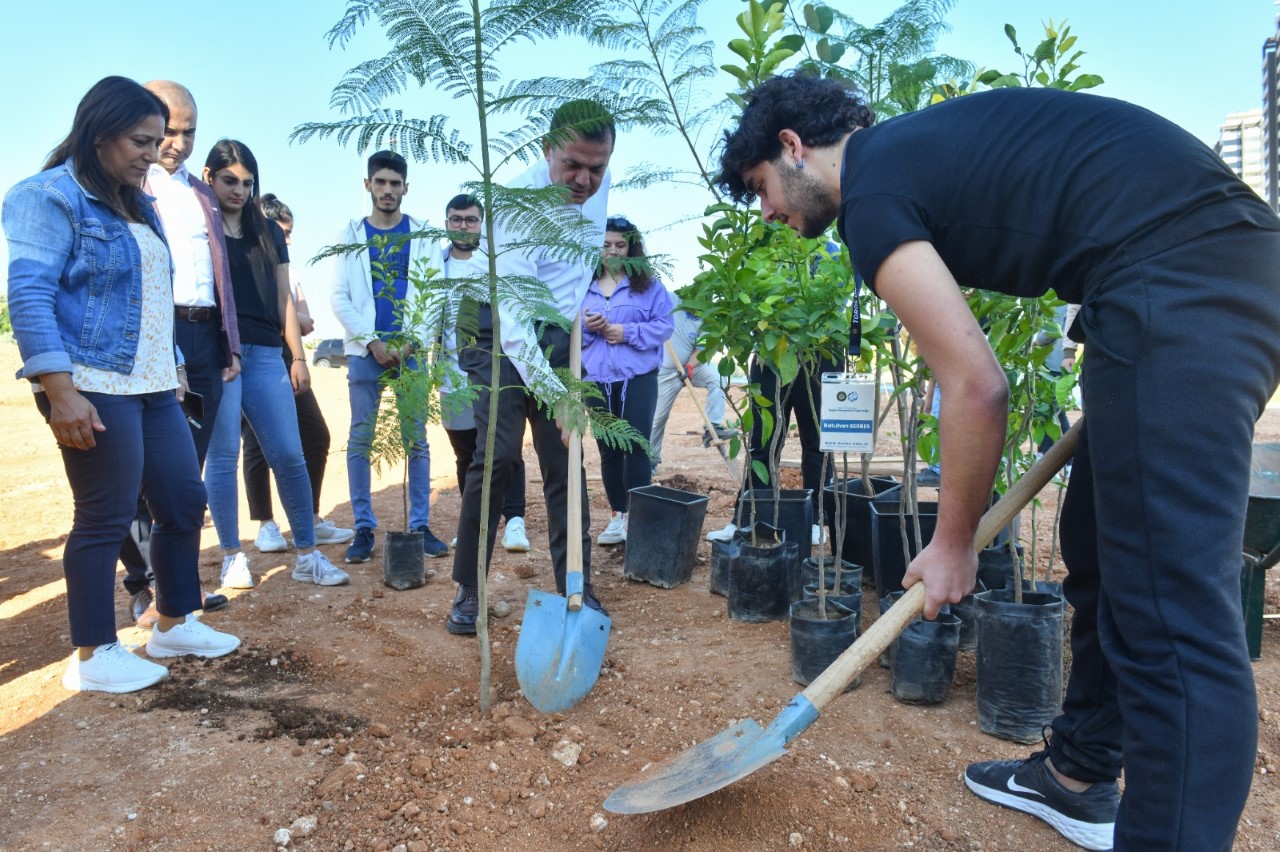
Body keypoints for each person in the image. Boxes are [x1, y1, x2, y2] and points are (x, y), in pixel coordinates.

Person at [715, 72, 1280, 851]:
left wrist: (951, 547)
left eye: (761, 189)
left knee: (1173, 619)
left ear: (792, 147)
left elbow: (977, 388)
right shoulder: (909, 157)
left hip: (1183, 280)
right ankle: (1078, 774)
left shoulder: (873, 197)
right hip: (1179, 273)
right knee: (1103, 555)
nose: (771, 212)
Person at [4, 76, 241, 692]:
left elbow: (150, 297)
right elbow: (29, 293)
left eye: (158, 140)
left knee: (185, 503)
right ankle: (92, 654)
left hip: (155, 382)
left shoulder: (136, 203)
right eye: (141, 140)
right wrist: (59, 391)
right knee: (104, 516)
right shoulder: (48, 196)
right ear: (99, 132)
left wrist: (175, 370)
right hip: (90, 380)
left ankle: (173, 619)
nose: (151, 152)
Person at [446, 99, 615, 634]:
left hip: (552, 324)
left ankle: (575, 583)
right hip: (495, 324)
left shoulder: (597, 186)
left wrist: (569, 364)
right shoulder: (517, 205)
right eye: (573, 165)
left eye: (597, 167)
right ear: (548, 152)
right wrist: (557, 392)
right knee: (495, 455)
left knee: (567, 455)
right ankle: (470, 587)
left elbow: (575, 275)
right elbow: (515, 322)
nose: (585, 179)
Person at [119, 80, 242, 627]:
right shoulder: (126, 188)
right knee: (141, 473)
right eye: (168, 130)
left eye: (188, 131)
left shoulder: (200, 194)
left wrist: (228, 344)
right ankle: (143, 589)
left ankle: (178, 593)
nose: (178, 142)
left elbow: (220, 276)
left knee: (185, 475)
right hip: (149, 337)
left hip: (202, 335)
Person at [202, 139, 349, 588]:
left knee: (289, 453)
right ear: (209, 177)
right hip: (219, 353)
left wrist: (298, 357)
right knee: (223, 456)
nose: (239, 190)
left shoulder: (267, 231)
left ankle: (307, 554)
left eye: (247, 182)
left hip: (268, 353)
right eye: (230, 180)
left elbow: (285, 296)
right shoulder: (198, 226)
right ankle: (232, 556)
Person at [327, 150, 448, 564]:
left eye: (395, 184)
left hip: (411, 354)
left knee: (415, 437)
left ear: (405, 188)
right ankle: (364, 527)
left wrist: (411, 343)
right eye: (380, 182)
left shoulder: (424, 237)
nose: (387, 190)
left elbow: (433, 294)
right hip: (366, 353)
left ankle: (420, 525)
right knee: (363, 437)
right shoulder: (350, 235)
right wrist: (373, 342)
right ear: (368, 185)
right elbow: (339, 296)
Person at [242, 194, 354, 553]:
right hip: (257, 356)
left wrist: (297, 347)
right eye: (283, 232)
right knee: (257, 444)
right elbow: (286, 314)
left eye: (290, 233)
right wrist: (291, 319)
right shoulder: (245, 261)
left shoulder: (289, 269)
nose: (288, 240)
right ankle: (265, 525)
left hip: (289, 357)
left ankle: (311, 518)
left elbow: (301, 313)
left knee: (316, 435)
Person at [437, 193, 531, 553]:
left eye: (471, 220)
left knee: (507, 449)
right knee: (467, 455)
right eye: (456, 219)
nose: (463, 226)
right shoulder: (438, 265)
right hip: (453, 377)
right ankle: (474, 524)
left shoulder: (497, 264)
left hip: (498, 373)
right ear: (447, 224)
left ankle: (515, 523)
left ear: (482, 225)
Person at [581, 216, 674, 544]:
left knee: (635, 445)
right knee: (608, 448)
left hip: (638, 377)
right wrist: (585, 326)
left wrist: (627, 332)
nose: (613, 251)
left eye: (620, 245)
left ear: (632, 248)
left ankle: (639, 518)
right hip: (595, 379)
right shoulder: (582, 286)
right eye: (606, 245)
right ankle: (618, 516)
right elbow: (566, 333)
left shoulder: (649, 287)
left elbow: (664, 327)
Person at [649, 307, 735, 475]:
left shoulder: (708, 318)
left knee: (718, 380)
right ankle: (650, 460)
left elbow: (701, 349)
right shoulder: (672, 301)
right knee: (657, 418)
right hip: (665, 372)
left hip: (691, 367)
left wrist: (689, 366)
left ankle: (713, 427)